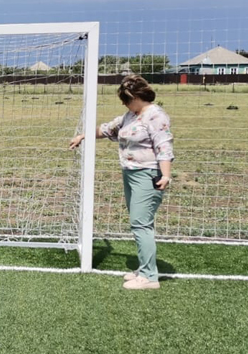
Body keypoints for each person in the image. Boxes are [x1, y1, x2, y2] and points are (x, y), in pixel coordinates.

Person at [69, 75, 174, 290]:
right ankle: (144, 268)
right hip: (130, 174)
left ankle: (149, 277)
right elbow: (108, 129)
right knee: (140, 223)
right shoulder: (130, 116)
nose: (124, 104)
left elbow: (164, 146)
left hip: (148, 174)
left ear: (135, 97)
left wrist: (165, 175)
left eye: (125, 100)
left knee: (140, 223)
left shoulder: (156, 116)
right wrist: (83, 136)